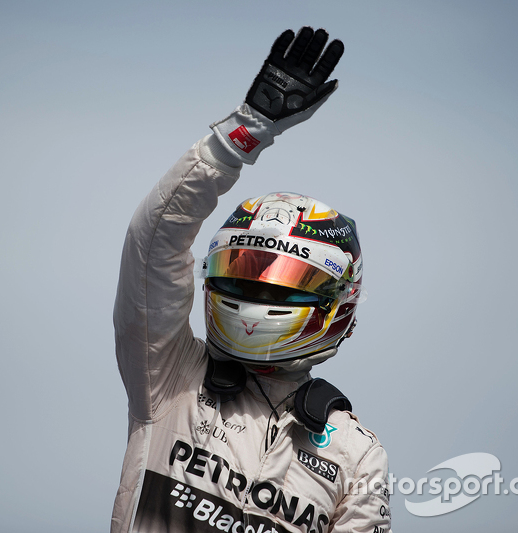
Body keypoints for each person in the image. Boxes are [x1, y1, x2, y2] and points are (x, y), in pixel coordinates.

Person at [112, 26, 391, 533]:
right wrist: (246, 130)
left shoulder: (357, 455)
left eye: (279, 286)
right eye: (240, 275)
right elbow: (154, 241)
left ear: (338, 302)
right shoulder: (169, 374)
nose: (255, 296)